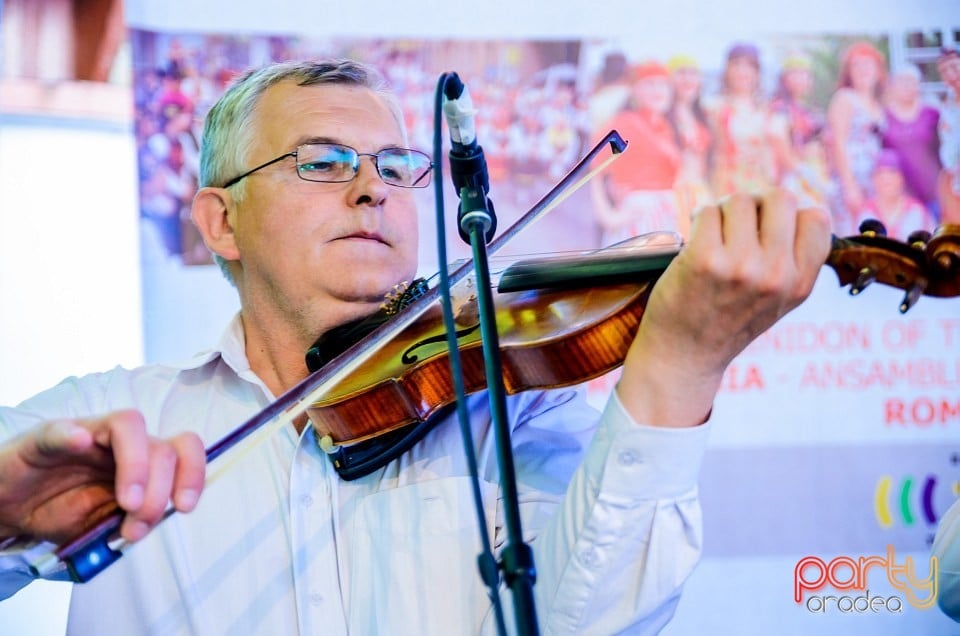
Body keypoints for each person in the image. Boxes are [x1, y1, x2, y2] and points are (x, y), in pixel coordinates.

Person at [0, 58, 831, 634]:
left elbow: (599, 624)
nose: (373, 189)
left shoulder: (516, 411)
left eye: (397, 166)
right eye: (321, 162)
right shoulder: (111, 422)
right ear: (222, 222)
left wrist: (679, 365)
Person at [592, 60, 684, 244]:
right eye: (649, 84)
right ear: (635, 90)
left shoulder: (666, 127)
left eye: (662, 84)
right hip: (639, 219)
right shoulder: (626, 124)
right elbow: (595, 168)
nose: (658, 90)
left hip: (666, 217)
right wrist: (607, 216)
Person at [825, 40, 886, 234]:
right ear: (849, 72)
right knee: (851, 234)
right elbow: (838, 142)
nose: (863, 70)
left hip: (874, 181)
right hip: (851, 179)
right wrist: (849, 185)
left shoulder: (878, 104)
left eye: (868, 64)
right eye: (856, 65)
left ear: (878, 71)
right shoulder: (845, 98)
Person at [880, 64, 942, 220]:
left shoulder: (932, 113)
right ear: (892, 86)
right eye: (902, 81)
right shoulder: (882, 117)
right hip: (901, 196)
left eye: (912, 81)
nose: (907, 86)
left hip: (934, 191)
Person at [936, 47, 960, 224]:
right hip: (953, 185)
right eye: (944, 71)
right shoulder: (948, 103)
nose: (950, 74)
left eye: (954, 67)